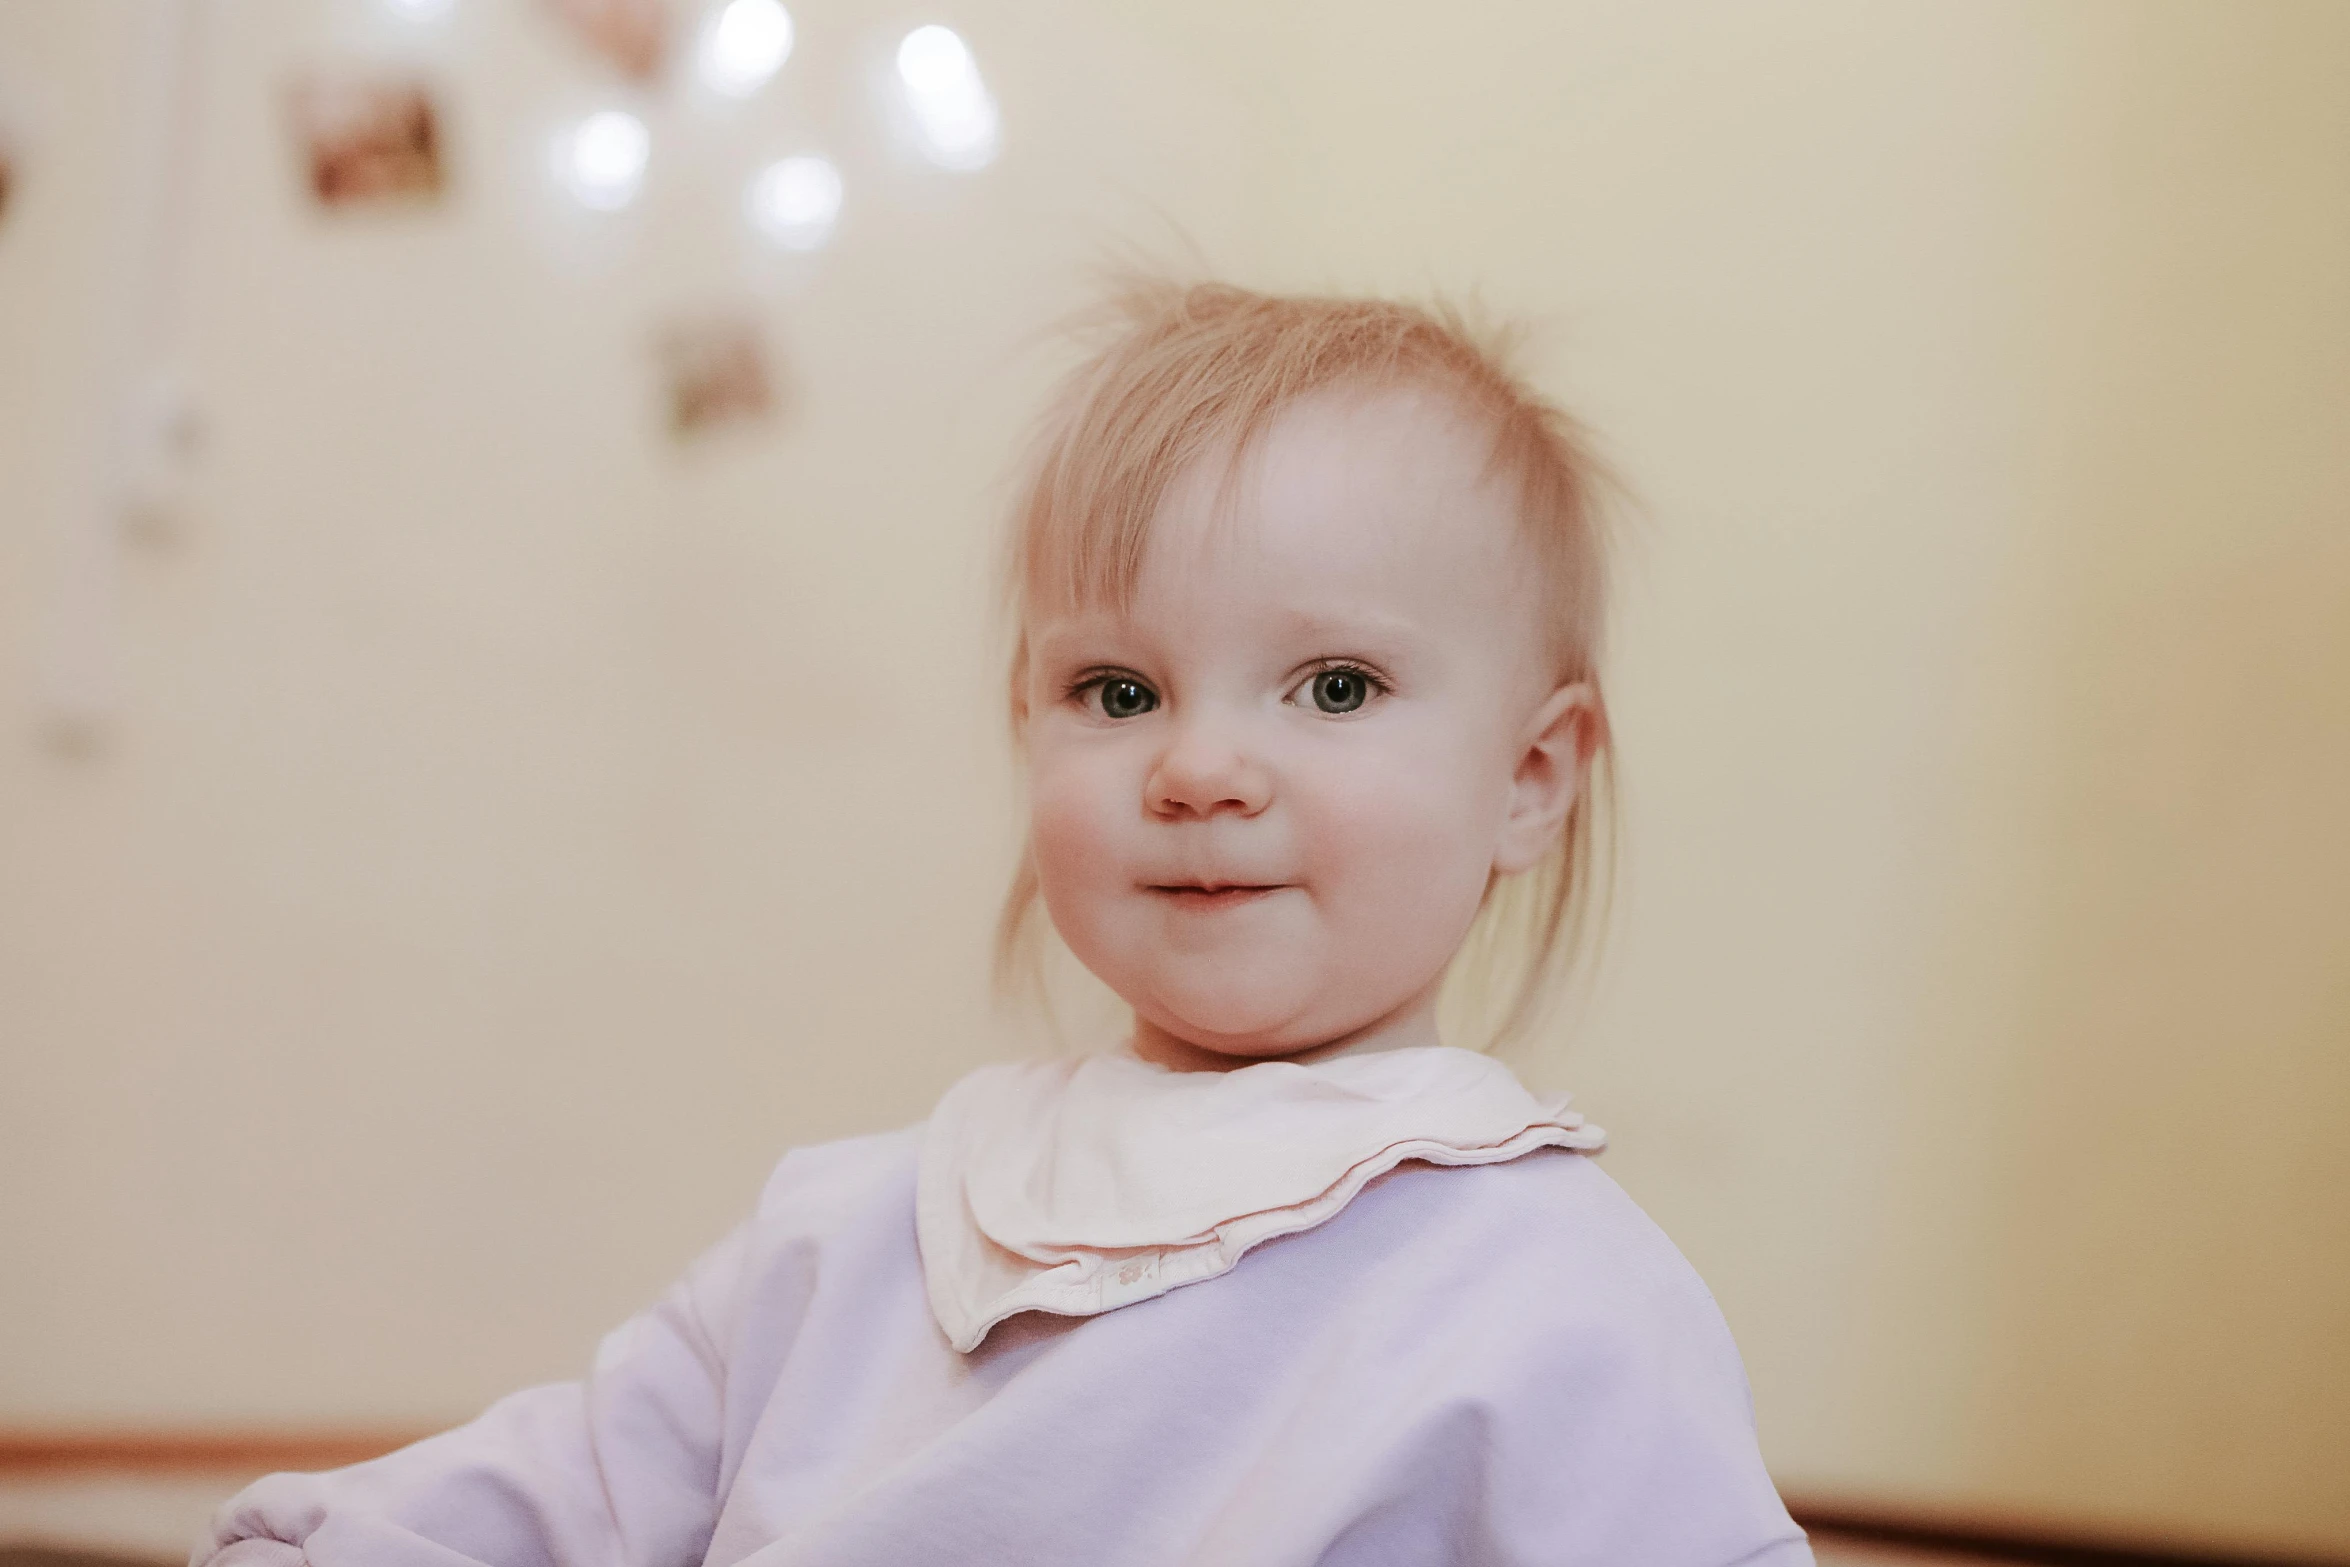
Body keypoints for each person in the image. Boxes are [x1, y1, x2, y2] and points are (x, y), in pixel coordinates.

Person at [200, 280, 1813, 1567]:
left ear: (1529, 779)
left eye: (1333, 685)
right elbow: (557, 1496)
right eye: (1118, 690)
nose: (1195, 766)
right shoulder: (857, 1229)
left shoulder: (1554, 1298)